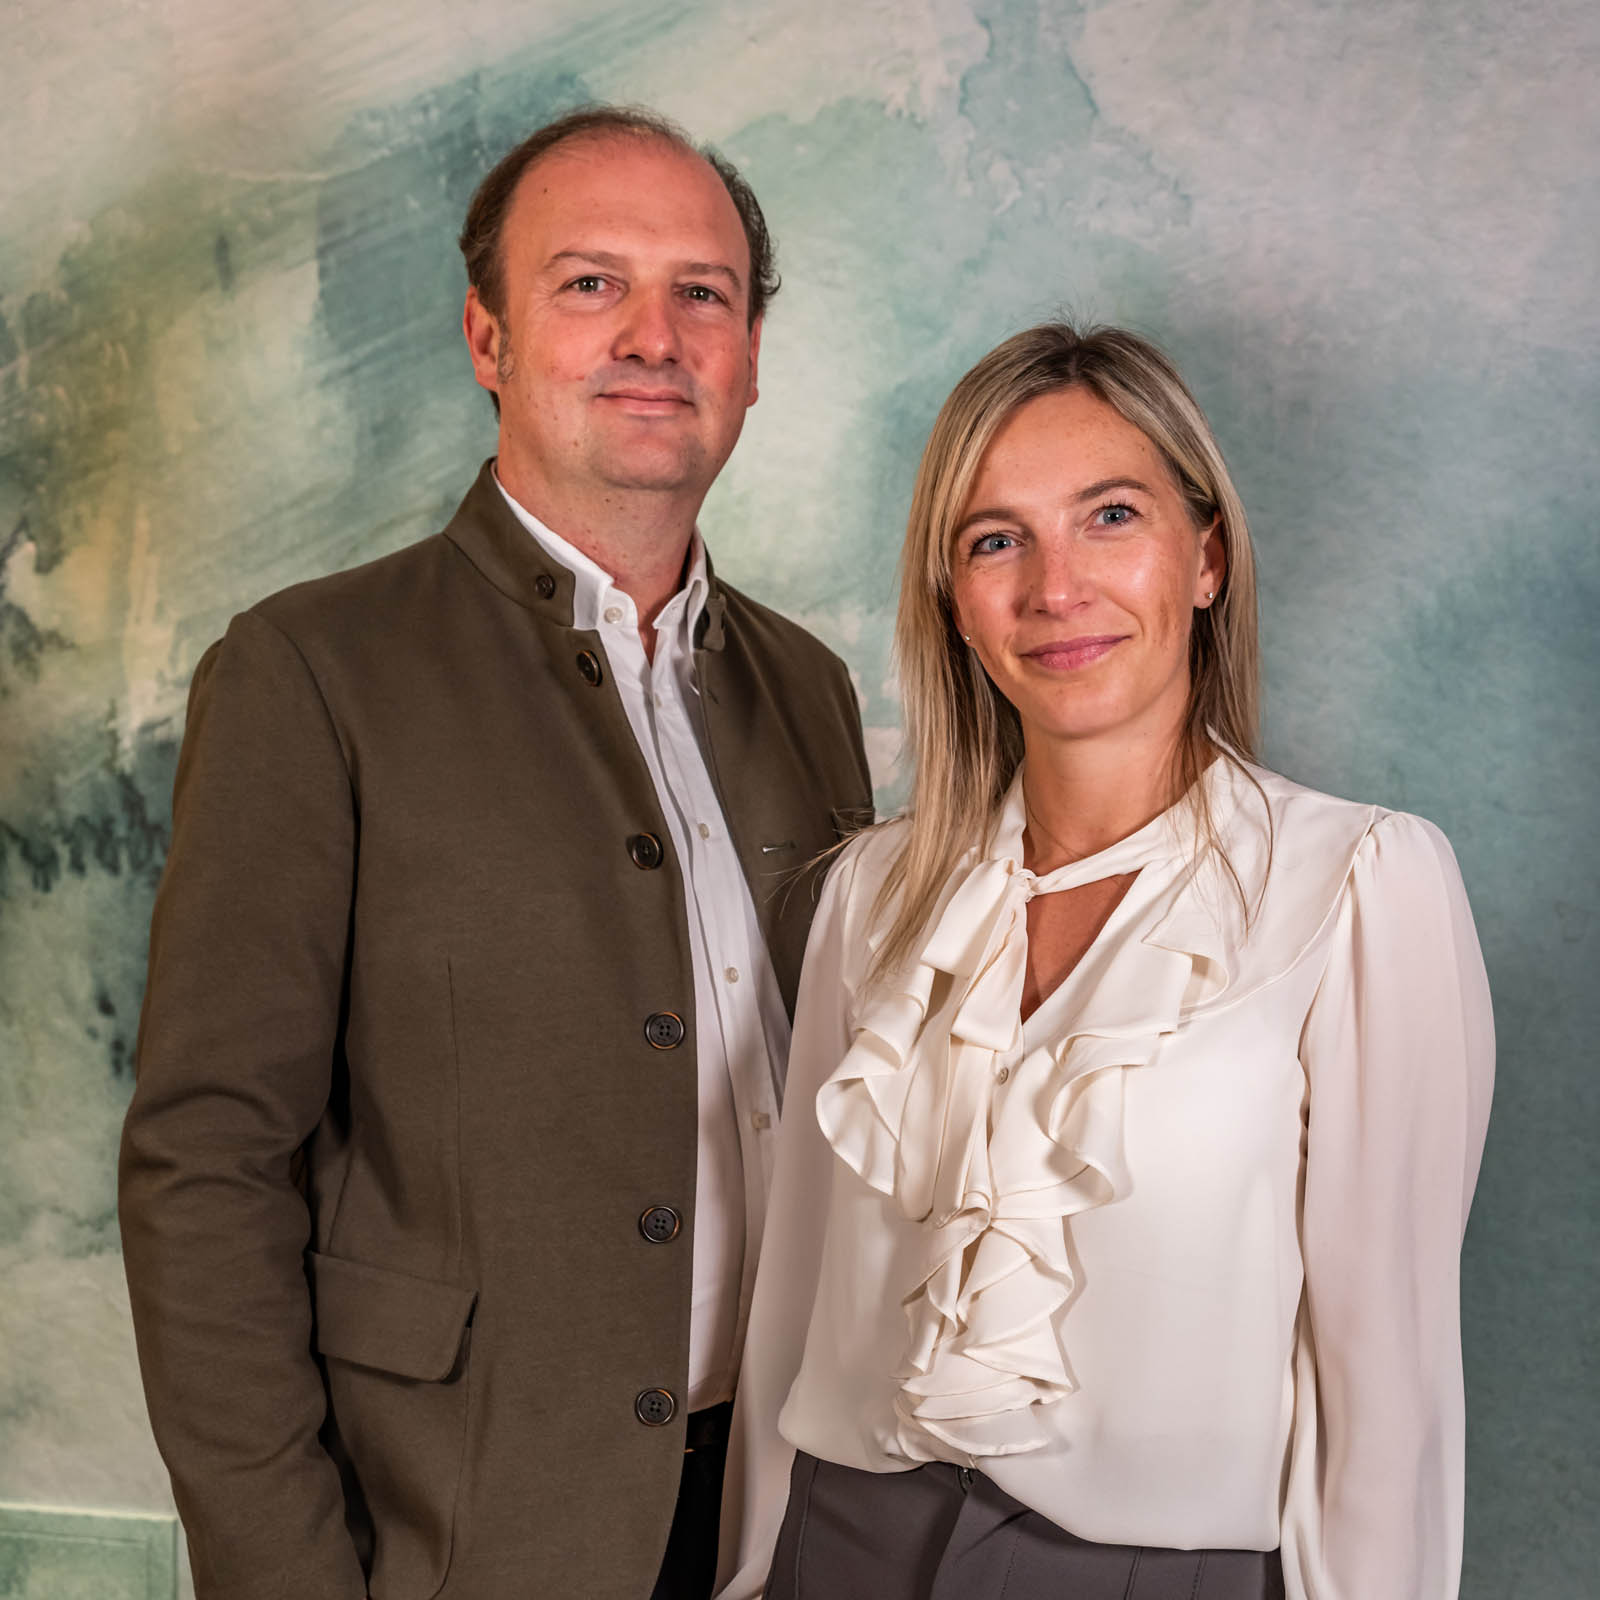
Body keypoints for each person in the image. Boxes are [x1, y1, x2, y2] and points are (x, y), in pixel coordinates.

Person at [118, 105, 872, 1600]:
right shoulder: (310, 673)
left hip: (785, 1518)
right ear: (489, 338)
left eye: (702, 293)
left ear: (751, 357)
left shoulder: (811, 689)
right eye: (591, 283)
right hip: (462, 1534)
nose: (654, 337)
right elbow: (207, 1169)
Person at [715, 323, 1494, 1600]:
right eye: (995, 539)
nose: (1054, 588)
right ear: (952, 603)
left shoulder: (1359, 886)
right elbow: (792, 1293)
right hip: (837, 1548)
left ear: (1207, 558)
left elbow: (1386, 1389)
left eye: (1111, 516)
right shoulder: (873, 893)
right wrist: (753, 1571)